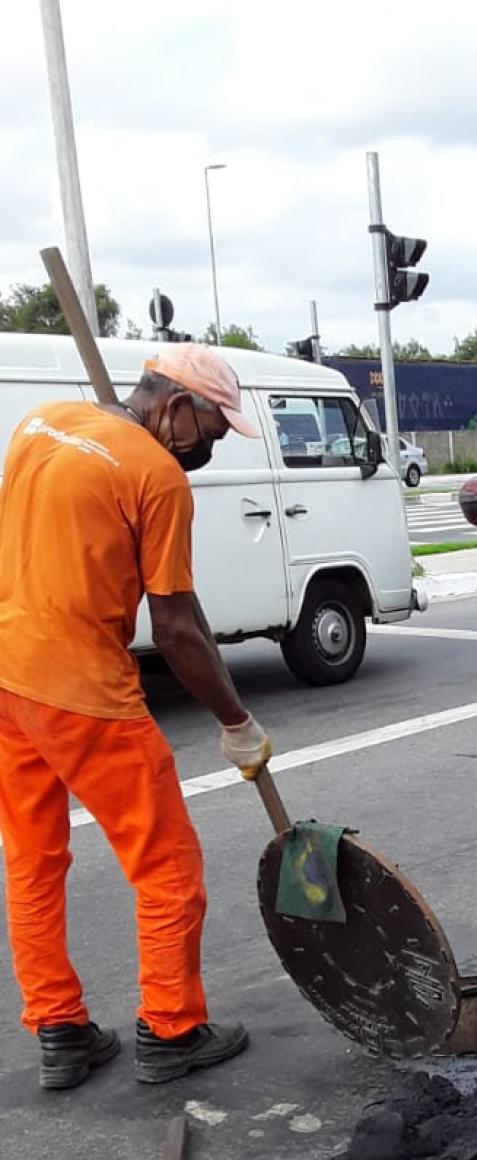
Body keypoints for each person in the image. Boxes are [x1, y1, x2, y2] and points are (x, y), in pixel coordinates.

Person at [0, 344, 272, 1092]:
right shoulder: (154, 476)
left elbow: (177, 604)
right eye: (212, 433)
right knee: (167, 866)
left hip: (7, 676)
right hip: (83, 690)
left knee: (33, 861)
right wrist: (235, 719)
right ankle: (172, 1028)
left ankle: (59, 1029)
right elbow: (177, 629)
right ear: (176, 408)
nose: (209, 453)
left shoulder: (39, 424)